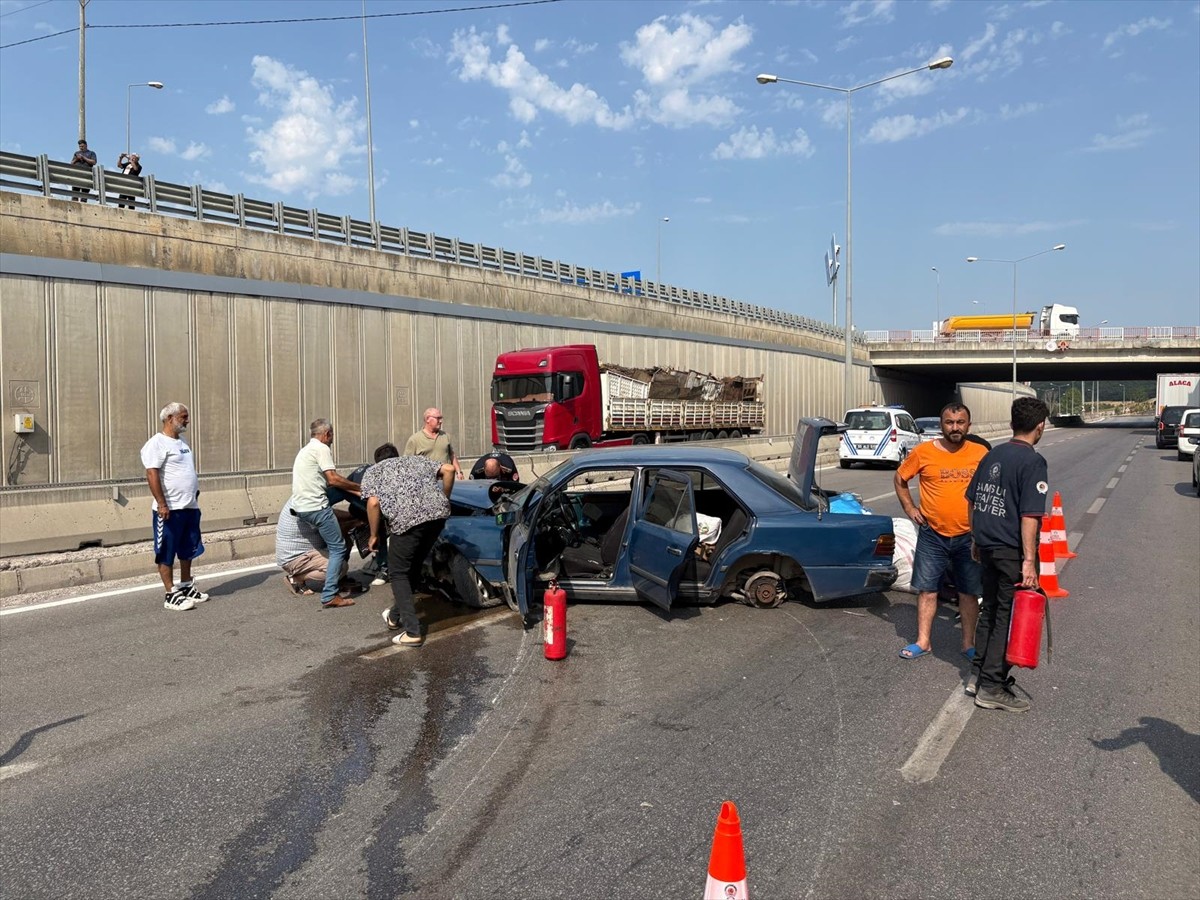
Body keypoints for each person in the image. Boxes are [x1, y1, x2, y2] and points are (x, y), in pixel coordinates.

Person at [965, 397, 1051, 713]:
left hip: (987, 546)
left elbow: (972, 500)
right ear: (1040, 427)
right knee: (1007, 617)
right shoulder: (1033, 462)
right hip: (1010, 551)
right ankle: (991, 686)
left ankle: (977, 674)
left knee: (990, 611)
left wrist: (976, 538)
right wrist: (1029, 561)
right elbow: (1030, 515)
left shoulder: (993, 454)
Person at [894, 403, 988, 660]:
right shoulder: (923, 452)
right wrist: (910, 508)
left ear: (969, 424)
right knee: (927, 590)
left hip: (969, 537)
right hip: (932, 534)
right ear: (941, 424)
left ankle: (968, 644)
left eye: (960, 422)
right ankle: (923, 641)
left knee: (969, 592)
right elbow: (901, 478)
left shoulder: (981, 453)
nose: (955, 427)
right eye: (949, 422)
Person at [362, 454, 455, 647]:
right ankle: (395, 616)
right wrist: (445, 498)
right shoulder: (416, 460)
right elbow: (450, 470)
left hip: (406, 522)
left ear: (377, 460)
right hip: (437, 516)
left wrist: (373, 535)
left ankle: (413, 632)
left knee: (398, 573)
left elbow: (373, 503)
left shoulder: (373, 471)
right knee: (413, 566)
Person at [140, 402, 208, 611]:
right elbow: (152, 474)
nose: (187, 420)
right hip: (170, 509)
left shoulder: (182, 442)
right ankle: (170, 593)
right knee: (166, 550)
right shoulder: (156, 444)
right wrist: (162, 503)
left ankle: (186, 585)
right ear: (170, 418)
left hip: (189, 506)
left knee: (188, 548)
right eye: (183, 416)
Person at [290, 418, 362, 608]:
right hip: (316, 507)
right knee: (338, 547)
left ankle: (340, 577)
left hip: (302, 507)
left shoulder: (304, 450)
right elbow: (333, 479)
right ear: (327, 434)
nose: (331, 440)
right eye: (331, 436)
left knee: (343, 493)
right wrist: (361, 487)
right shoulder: (322, 449)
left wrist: (352, 490)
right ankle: (330, 594)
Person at [344, 442, 402, 585]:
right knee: (382, 529)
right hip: (371, 508)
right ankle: (384, 567)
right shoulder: (383, 473)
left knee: (382, 529)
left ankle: (384, 566)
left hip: (365, 508)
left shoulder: (365, 469)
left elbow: (342, 485)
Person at [275, 497, 349, 596]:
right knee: (340, 566)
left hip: (307, 551)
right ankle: (296, 579)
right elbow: (330, 517)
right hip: (296, 558)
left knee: (344, 541)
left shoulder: (305, 494)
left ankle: (337, 579)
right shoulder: (305, 501)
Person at [404, 408, 464, 479]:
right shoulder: (414, 440)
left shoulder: (446, 436)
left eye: (441, 418)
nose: (441, 421)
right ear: (427, 419)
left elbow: (452, 455)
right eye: (438, 418)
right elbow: (406, 463)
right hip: (425, 483)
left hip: (445, 483)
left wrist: (459, 472)